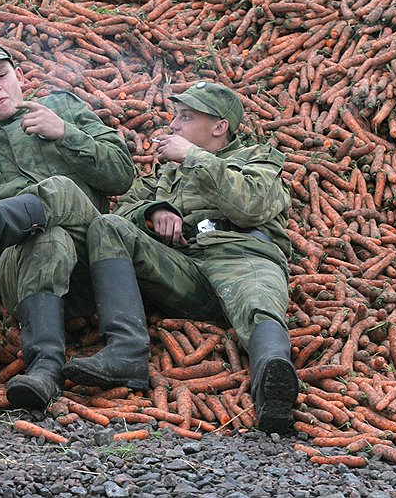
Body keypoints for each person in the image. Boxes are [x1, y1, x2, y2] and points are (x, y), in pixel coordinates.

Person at [85, 80, 299, 434]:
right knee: (107, 226)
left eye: (186, 117)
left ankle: (272, 387)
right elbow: (123, 212)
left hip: (242, 258)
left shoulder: (258, 160)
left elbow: (251, 205)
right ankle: (125, 352)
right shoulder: (165, 172)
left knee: (258, 303)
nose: (173, 125)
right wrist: (153, 211)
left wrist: (193, 157)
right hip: (184, 269)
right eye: (175, 116)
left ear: (219, 127)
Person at [0, 40, 147, 410]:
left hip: (93, 260)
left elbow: (121, 177)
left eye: (1, 76)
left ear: (19, 77)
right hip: (21, 273)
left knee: (60, 190)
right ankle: (45, 367)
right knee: (47, 238)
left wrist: (66, 133)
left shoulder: (61, 108)